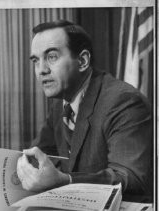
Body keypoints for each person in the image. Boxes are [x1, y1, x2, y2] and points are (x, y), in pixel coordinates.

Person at [17, 20, 153, 202]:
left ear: (82, 61)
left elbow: (131, 179)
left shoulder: (124, 101)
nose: (41, 70)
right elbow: (40, 155)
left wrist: (64, 180)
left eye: (52, 57)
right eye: (36, 60)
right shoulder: (61, 103)